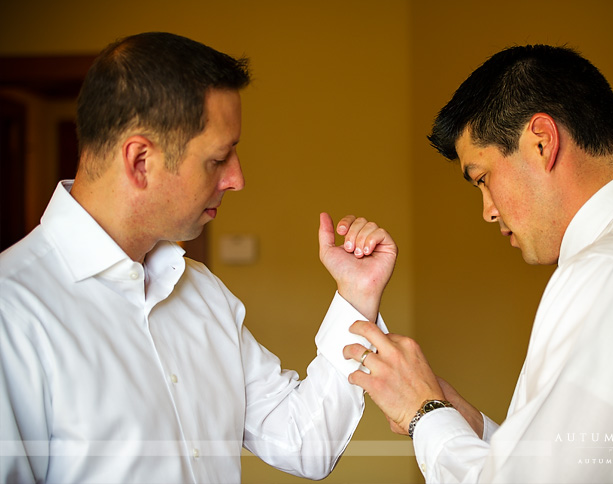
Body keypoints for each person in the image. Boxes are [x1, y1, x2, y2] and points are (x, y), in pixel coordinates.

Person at [0, 32, 397, 483]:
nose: (237, 179)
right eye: (218, 158)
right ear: (140, 161)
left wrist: (356, 296)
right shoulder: (11, 315)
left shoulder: (202, 292)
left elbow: (304, 444)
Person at [343, 44, 613, 483]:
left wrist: (422, 415)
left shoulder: (609, 275)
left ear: (542, 142)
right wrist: (463, 423)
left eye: (482, 178)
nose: (488, 210)